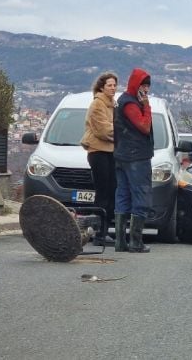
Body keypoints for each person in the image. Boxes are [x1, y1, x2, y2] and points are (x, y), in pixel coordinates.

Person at [113, 68, 154, 253]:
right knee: (140, 196)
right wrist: (147, 105)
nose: (145, 90)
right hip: (136, 156)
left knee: (123, 195)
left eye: (147, 86)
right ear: (135, 85)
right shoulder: (130, 104)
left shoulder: (124, 101)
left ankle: (121, 242)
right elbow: (144, 127)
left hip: (123, 155)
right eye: (143, 85)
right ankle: (135, 241)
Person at [80, 72, 118, 246]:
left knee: (111, 192)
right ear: (102, 87)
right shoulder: (97, 104)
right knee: (103, 193)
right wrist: (121, 133)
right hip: (98, 151)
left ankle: (104, 230)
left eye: (114, 85)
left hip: (110, 152)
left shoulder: (112, 105)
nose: (113, 88)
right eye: (109, 85)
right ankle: (99, 233)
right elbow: (104, 130)